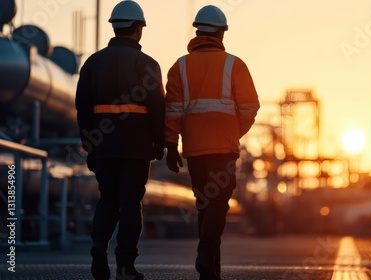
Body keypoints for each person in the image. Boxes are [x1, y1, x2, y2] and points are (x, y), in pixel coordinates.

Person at [164, 5, 260, 280]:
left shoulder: (180, 66)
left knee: (205, 204)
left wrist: (171, 145)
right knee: (218, 203)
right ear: (221, 32)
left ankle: (210, 271)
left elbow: (172, 111)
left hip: (194, 149)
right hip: (223, 148)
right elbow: (250, 107)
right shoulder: (234, 64)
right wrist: (234, 132)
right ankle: (206, 254)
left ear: (198, 31)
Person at [75, 1, 165, 279]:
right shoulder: (147, 64)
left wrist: (90, 146)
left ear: (115, 27)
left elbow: (82, 109)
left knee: (108, 199)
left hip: (104, 146)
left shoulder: (93, 63)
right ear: (138, 29)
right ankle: (125, 266)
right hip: (136, 149)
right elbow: (158, 109)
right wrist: (160, 143)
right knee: (130, 203)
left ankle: (98, 246)